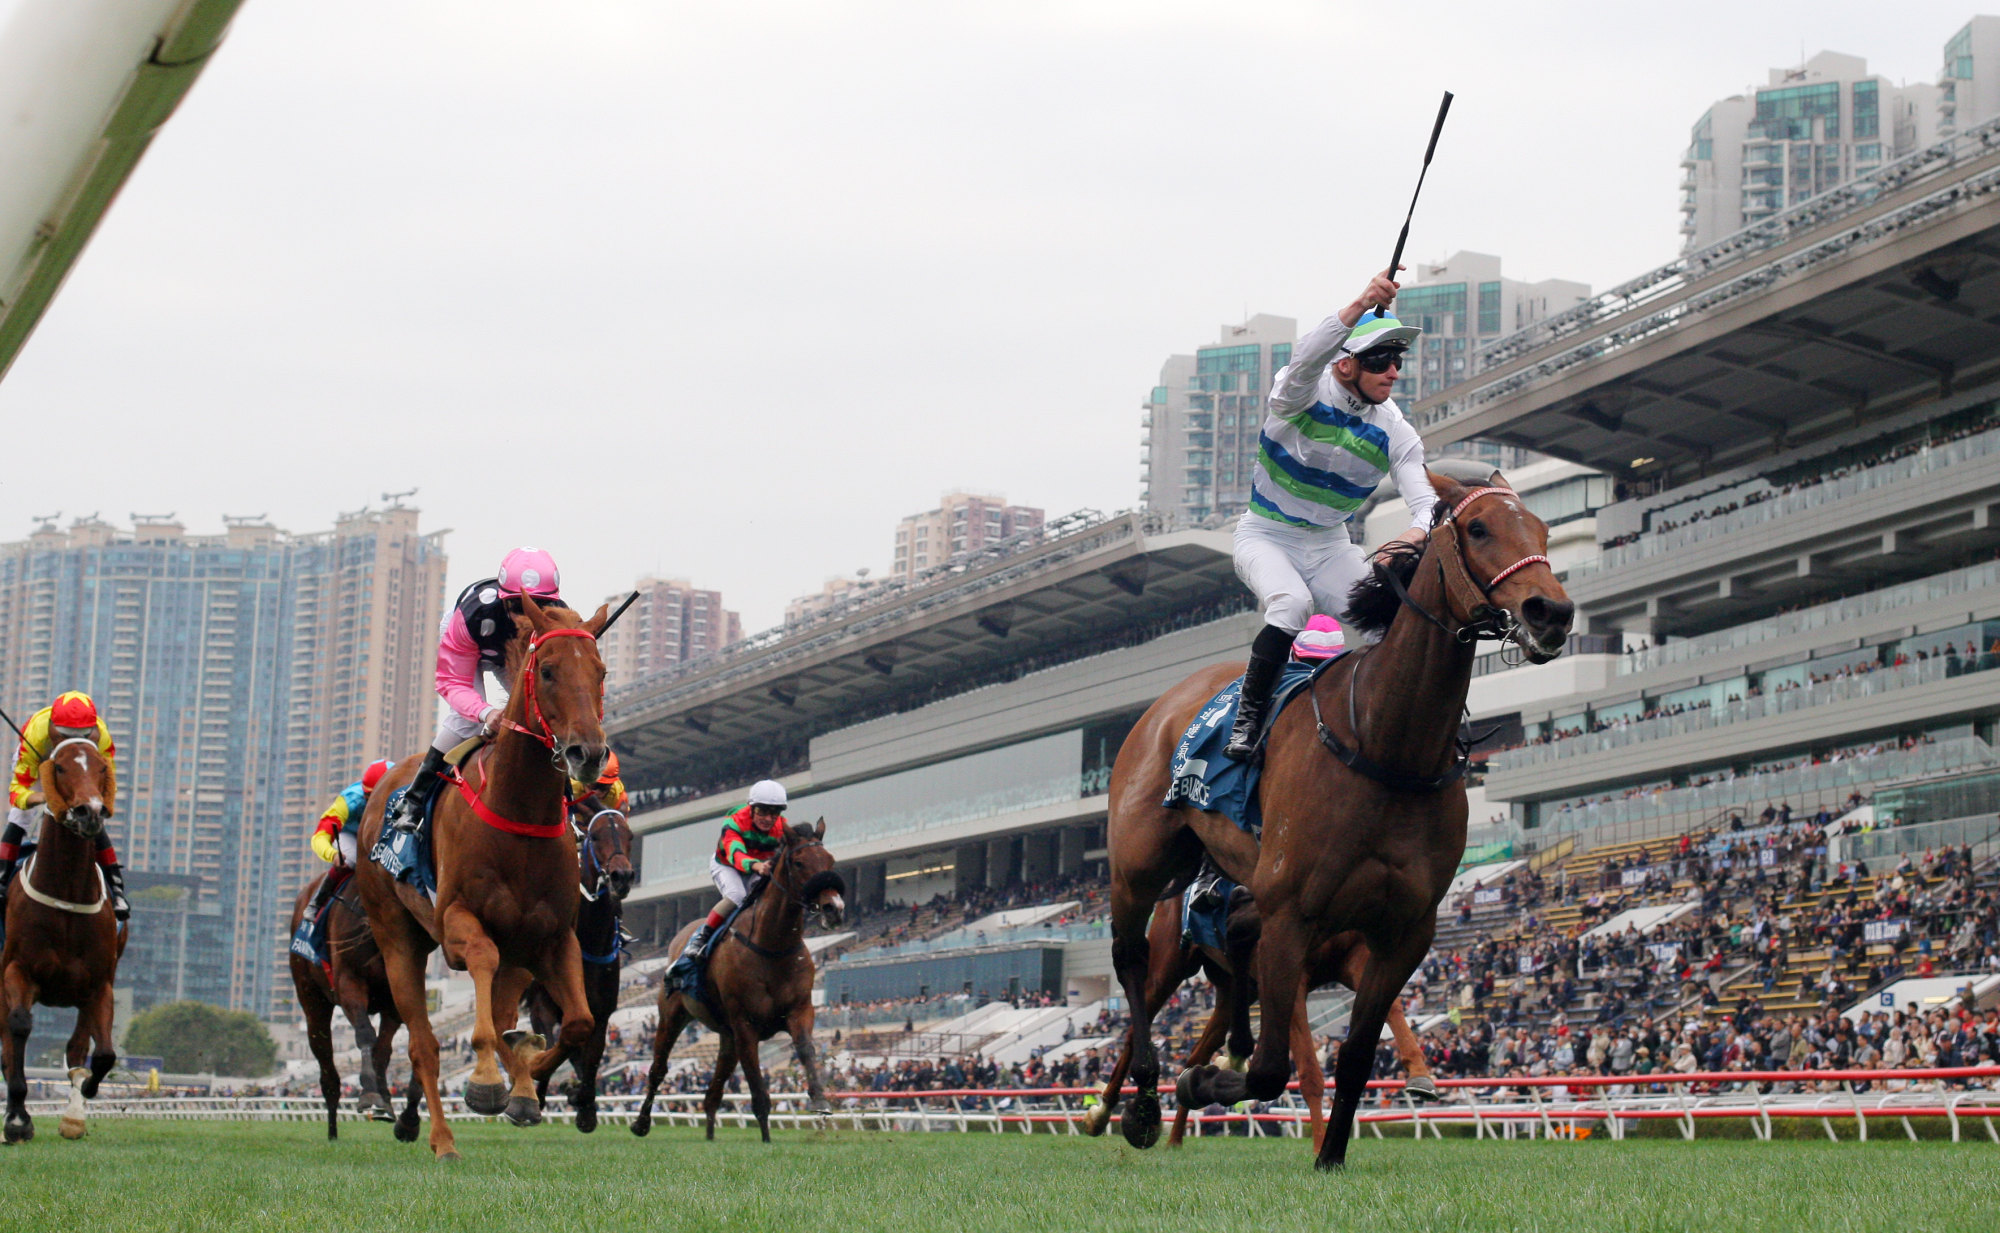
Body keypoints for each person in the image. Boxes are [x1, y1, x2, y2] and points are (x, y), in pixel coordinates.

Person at [1225, 268, 1437, 759]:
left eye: (1397, 359)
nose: (1393, 371)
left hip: (1329, 546)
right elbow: (1305, 360)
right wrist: (1361, 303)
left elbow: (1425, 500)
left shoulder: (1394, 429)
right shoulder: (1298, 394)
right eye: (1381, 360)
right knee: (1292, 605)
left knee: (1397, 621)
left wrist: (1416, 531)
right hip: (1265, 536)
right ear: (1345, 366)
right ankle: (1248, 719)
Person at [388, 548, 565, 833]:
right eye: (519, 606)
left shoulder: (559, 619)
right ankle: (414, 800)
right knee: (466, 721)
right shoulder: (473, 614)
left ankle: (565, 798)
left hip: (512, 655)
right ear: (504, 599)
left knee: (542, 713)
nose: (527, 615)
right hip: (473, 646)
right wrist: (486, 713)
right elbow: (451, 682)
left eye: (539, 605)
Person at [0, 691, 128, 921]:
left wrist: (99, 804)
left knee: (94, 820)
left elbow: (108, 783)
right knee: (20, 818)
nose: (75, 739)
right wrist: (43, 797)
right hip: (43, 762)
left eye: (85, 735)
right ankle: (2, 879)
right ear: (53, 728)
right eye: (66, 735)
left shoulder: (103, 738)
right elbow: (17, 792)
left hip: (81, 767)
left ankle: (117, 889)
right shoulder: (36, 733)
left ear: (94, 731)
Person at [665, 779, 788, 988]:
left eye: (774, 813)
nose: (768, 818)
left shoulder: (781, 827)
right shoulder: (734, 821)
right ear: (752, 807)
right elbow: (735, 854)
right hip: (727, 864)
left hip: (758, 867)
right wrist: (757, 866)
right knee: (737, 896)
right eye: (763, 811)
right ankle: (700, 939)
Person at [291, 758, 394, 958]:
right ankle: (317, 901)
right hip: (351, 835)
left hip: (380, 833)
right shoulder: (349, 801)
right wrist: (332, 854)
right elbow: (319, 837)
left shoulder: (404, 792)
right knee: (354, 860)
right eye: (372, 800)